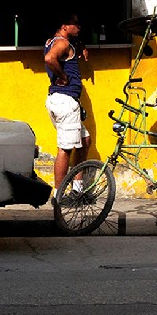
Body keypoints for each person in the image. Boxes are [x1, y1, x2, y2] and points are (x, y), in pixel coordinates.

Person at [44, 12, 91, 191]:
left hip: (61, 101)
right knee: (65, 149)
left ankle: (77, 189)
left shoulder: (54, 41)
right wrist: (63, 76)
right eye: (75, 24)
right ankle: (59, 194)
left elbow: (67, 47)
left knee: (85, 141)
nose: (79, 27)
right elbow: (50, 58)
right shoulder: (62, 43)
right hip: (65, 102)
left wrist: (81, 46)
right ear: (65, 26)